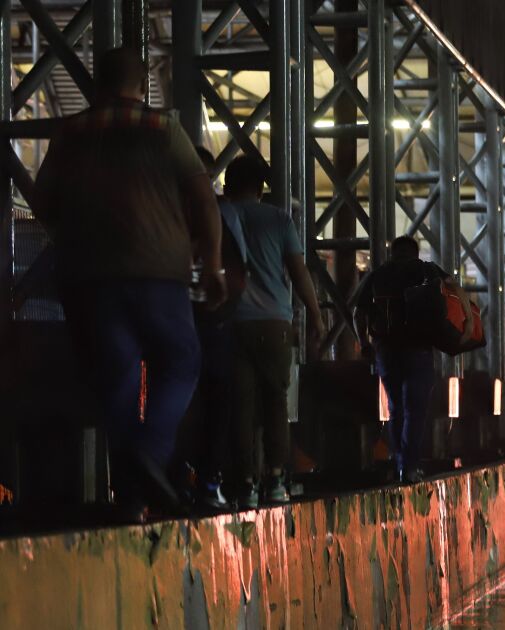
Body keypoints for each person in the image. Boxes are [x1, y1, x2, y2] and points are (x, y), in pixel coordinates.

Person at [31, 47, 226, 521]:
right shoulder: (164, 128)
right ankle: (151, 448)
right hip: (156, 270)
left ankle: (132, 501)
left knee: (116, 379)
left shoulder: (70, 132)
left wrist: (73, 237)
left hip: (88, 278)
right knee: (180, 363)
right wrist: (214, 262)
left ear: (96, 87)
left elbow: (43, 202)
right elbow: (203, 198)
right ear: (143, 87)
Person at [224, 155, 325, 507]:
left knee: (240, 407)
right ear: (261, 188)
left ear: (226, 185)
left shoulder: (221, 215)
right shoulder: (279, 219)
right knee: (275, 405)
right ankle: (277, 480)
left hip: (232, 322)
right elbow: (299, 273)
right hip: (275, 323)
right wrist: (315, 315)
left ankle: (245, 483)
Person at [357, 235, 474, 484]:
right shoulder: (425, 269)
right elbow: (455, 287)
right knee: (415, 410)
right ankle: (409, 467)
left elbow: (359, 311)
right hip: (419, 350)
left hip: (387, 350)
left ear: (393, 252)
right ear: (415, 252)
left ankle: (400, 461)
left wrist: (365, 343)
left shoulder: (378, 274)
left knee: (395, 407)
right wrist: (470, 322)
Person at [184, 146, 249, 510]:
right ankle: (208, 482)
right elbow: (239, 270)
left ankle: (173, 480)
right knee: (218, 400)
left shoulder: (162, 209)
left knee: (177, 400)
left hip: (173, 320)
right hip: (211, 324)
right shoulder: (218, 213)